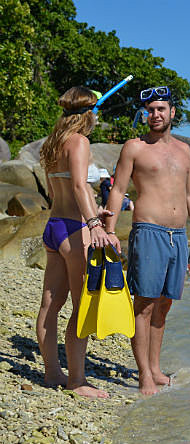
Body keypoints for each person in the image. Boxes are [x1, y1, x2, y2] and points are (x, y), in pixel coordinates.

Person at [104, 85, 190, 395]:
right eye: (150, 110)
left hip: (178, 236)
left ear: (172, 112)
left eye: (161, 109)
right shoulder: (134, 148)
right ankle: (143, 375)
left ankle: (156, 368)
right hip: (148, 232)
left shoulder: (184, 151)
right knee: (145, 305)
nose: (156, 114)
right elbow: (118, 190)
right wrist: (108, 230)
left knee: (164, 306)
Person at [36, 86, 113, 398]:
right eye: (94, 111)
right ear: (87, 113)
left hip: (54, 226)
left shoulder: (52, 143)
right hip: (74, 230)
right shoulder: (79, 142)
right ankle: (77, 381)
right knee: (81, 308)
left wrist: (94, 209)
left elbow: (59, 192)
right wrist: (94, 222)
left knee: (49, 305)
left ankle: (52, 372)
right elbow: (80, 185)